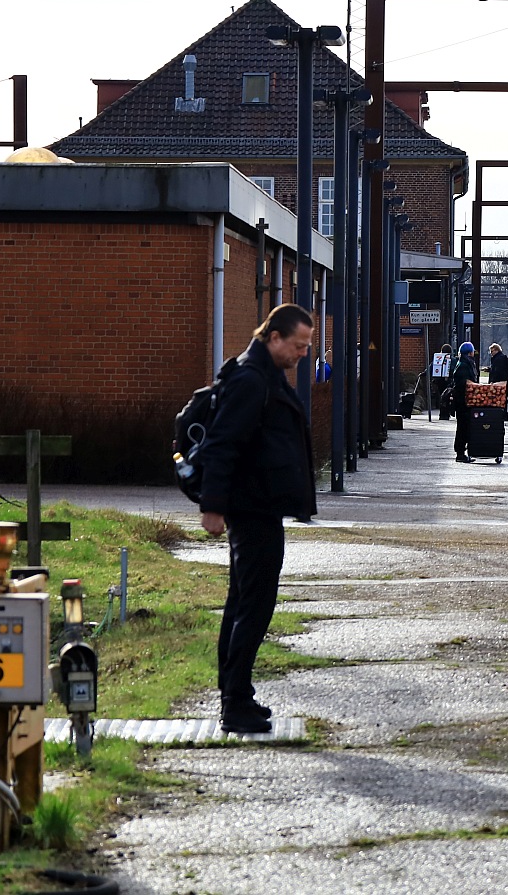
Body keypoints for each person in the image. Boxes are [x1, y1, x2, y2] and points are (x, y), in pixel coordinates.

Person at [197, 303, 318, 733]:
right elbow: (223, 443)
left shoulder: (264, 375)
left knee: (245, 602)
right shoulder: (251, 379)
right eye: (299, 345)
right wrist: (212, 506)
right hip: (251, 509)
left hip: (259, 505)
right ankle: (234, 703)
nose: (304, 353)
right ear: (275, 338)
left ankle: (239, 693)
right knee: (253, 604)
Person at [452, 341, 478, 462]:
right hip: (463, 401)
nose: (474, 354)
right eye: (472, 352)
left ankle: (462, 451)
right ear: (469, 353)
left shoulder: (464, 363)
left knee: (464, 426)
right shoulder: (464, 365)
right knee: (463, 427)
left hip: (463, 400)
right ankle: (460, 453)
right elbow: (464, 382)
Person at [489, 342, 508, 421]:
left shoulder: (498, 359)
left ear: (496, 350)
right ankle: (503, 414)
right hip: (505, 382)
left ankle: (502, 415)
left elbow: (498, 371)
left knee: (501, 399)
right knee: (504, 398)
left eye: (492, 351)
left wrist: (493, 381)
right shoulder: (501, 358)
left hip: (501, 382)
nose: (491, 353)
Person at [433, 343, 454, 420]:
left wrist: (424, 373)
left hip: (439, 381)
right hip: (449, 381)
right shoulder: (452, 359)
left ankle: (442, 413)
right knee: (447, 397)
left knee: (441, 396)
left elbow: (432, 366)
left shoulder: (438, 358)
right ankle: (447, 413)